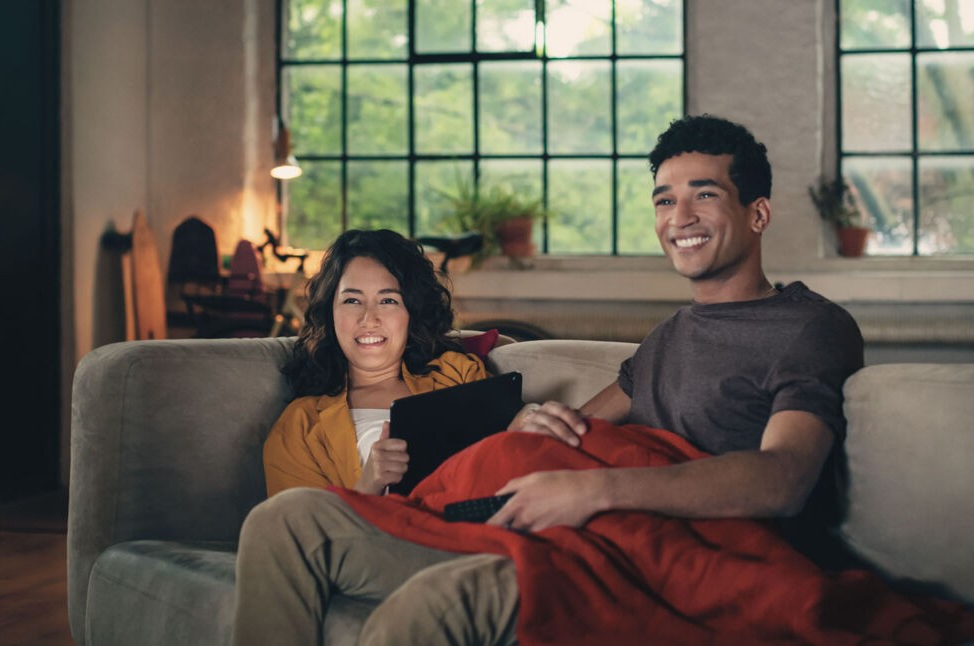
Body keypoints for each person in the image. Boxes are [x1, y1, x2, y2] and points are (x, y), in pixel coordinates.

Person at [232, 115, 863, 645]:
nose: (680, 216)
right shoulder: (670, 336)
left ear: (758, 213)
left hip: (662, 559)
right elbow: (573, 433)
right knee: (285, 520)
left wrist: (596, 493)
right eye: (665, 199)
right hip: (571, 538)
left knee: (435, 605)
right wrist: (525, 429)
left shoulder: (808, 327)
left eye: (704, 194)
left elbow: (783, 479)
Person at [263, 228, 489, 497]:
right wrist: (369, 484)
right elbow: (300, 527)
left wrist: (524, 419)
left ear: (411, 314)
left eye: (388, 300)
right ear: (330, 313)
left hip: (463, 528)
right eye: (352, 300)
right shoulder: (301, 424)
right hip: (373, 535)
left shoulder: (456, 374)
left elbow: (497, 463)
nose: (369, 319)